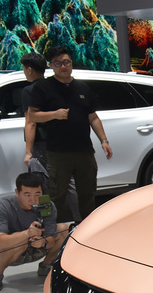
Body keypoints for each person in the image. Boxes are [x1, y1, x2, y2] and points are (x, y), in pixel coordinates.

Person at [28, 47, 112, 223]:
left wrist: (104, 140)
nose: (63, 66)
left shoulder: (82, 87)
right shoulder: (43, 87)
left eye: (66, 62)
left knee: (88, 192)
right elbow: (32, 116)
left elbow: (93, 117)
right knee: (55, 194)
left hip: (84, 150)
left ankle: (87, 227)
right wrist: (54, 114)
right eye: (58, 63)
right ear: (51, 65)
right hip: (58, 151)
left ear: (71, 63)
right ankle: (52, 229)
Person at [0, 172, 70, 293]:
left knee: (63, 229)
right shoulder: (4, 205)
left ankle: (46, 265)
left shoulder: (47, 206)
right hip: (11, 249)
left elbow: (52, 239)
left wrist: (44, 242)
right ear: (17, 192)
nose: (33, 199)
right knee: (19, 239)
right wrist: (26, 234)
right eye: (27, 194)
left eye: (37, 194)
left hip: (37, 246)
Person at [20, 52, 48, 171]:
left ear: (30, 70)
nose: (24, 72)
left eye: (24, 69)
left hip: (42, 144)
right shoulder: (54, 87)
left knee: (41, 177)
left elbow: (31, 122)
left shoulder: (29, 91)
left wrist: (28, 152)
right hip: (59, 140)